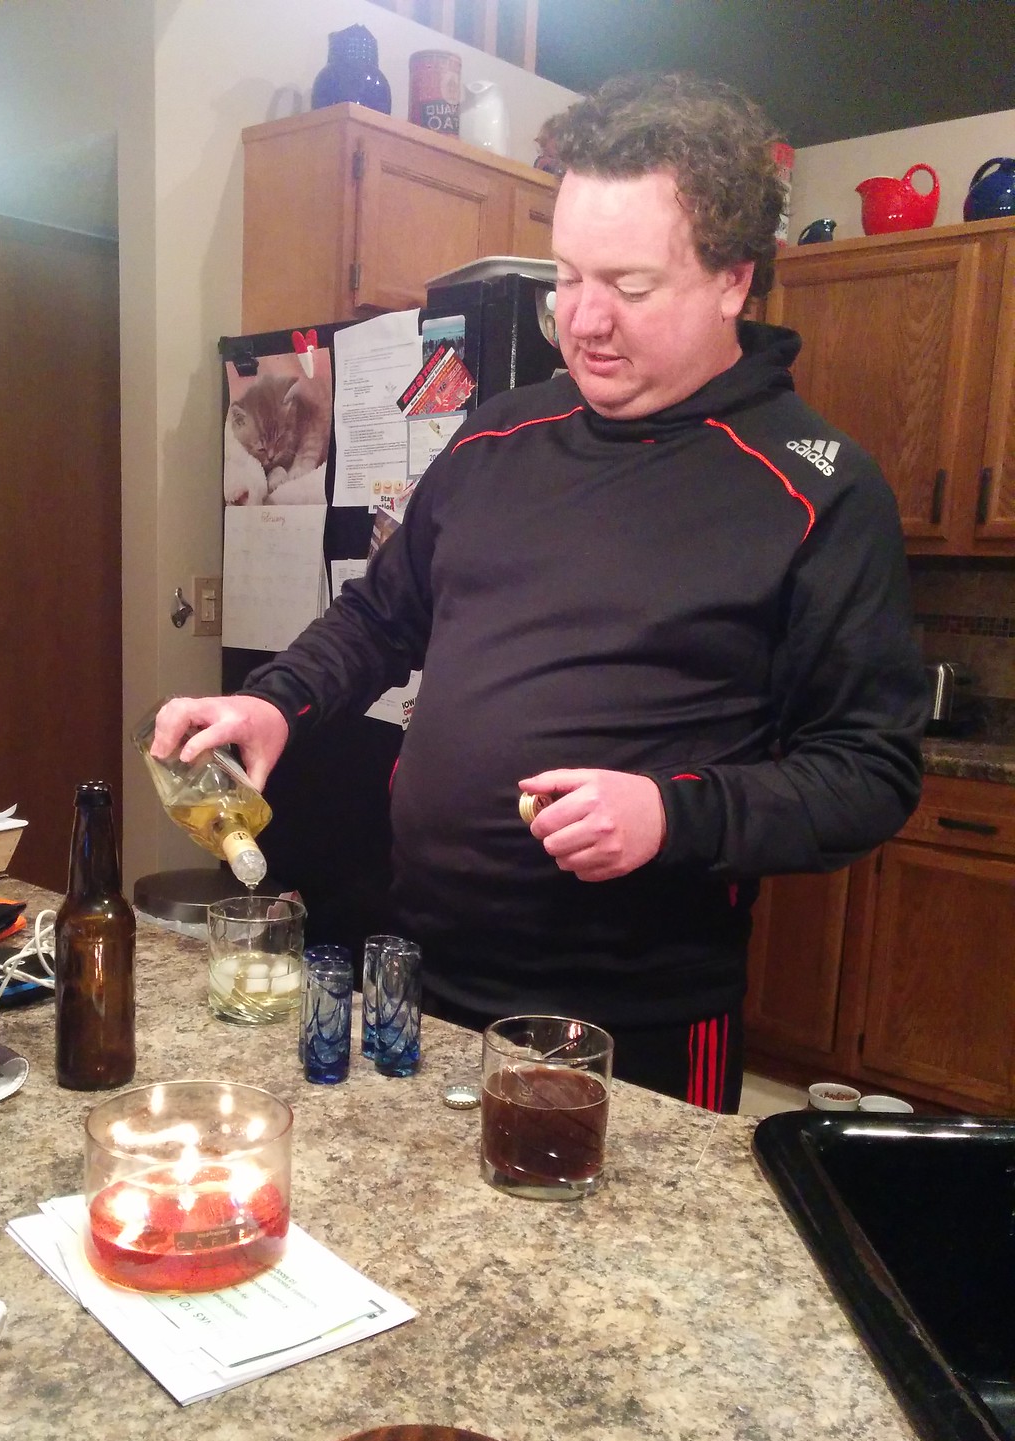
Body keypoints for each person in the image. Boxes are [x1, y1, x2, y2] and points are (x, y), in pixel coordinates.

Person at [153, 73, 927, 1113]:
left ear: (734, 280)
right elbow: (382, 617)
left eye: (630, 285)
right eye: (566, 277)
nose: (584, 321)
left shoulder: (817, 488)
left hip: (636, 1022)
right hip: (425, 976)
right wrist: (276, 701)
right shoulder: (499, 436)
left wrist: (670, 814)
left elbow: (868, 772)